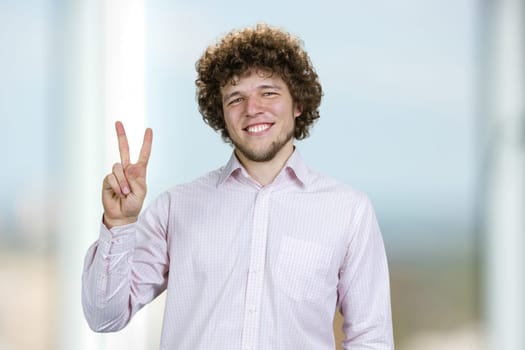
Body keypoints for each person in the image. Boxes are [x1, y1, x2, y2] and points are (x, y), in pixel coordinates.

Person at [82, 23, 394, 349]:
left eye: (268, 92)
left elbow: (370, 339)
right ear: (221, 113)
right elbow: (105, 317)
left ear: (298, 103)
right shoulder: (176, 207)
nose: (252, 109)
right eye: (235, 98)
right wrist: (119, 223)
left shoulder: (348, 211)